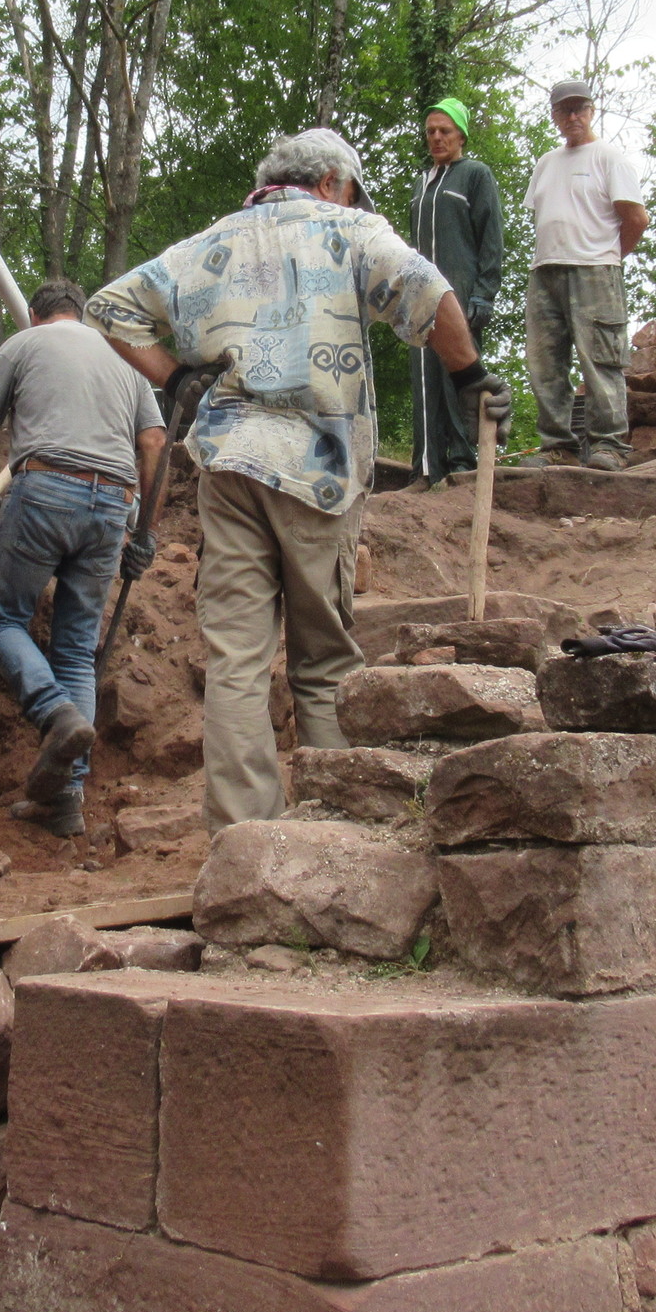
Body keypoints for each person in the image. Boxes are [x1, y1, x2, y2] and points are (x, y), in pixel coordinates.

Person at [88, 128, 510, 830]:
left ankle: (243, 836)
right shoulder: (350, 229)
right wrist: (470, 377)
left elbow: (108, 308)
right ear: (332, 182)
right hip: (320, 470)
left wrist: (177, 375)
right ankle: (333, 828)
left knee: (236, 661)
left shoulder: (208, 244)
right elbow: (430, 293)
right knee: (322, 659)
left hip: (229, 463)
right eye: (351, 191)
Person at [0, 278, 168, 839]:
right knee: (77, 649)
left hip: (47, 488)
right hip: (113, 505)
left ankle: (55, 713)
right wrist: (145, 534)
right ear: (82, 314)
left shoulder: (25, 343)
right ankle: (66, 799)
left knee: (0, 619)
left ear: (36, 314)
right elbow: (155, 443)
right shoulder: (125, 357)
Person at [521, 77, 649, 469]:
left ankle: (610, 445)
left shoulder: (610, 158)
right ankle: (558, 446)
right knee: (544, 363)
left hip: (595, 271)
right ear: (554, 115)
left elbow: (636, 219)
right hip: (545, 271)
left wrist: (609, 256)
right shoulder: (546, 163)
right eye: (565, 109)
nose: (573, 116)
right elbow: (543, 216)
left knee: (600, 359)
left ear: (592, 111)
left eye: (579, 108)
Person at [406, 95, 507, 486]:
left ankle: (462, 467)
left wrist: (485, 291)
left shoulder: (475, 175)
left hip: (460, 291)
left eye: (444, 131)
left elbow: (491, 237)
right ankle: (425, 468)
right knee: (424, 381)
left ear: (461, 135)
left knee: (459, 378)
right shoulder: (421, 183)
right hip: (420, 296)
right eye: (431, 131)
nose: (436, 137)